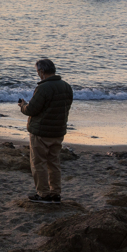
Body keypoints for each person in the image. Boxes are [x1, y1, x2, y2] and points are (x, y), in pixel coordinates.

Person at [18, 58, 74, 204]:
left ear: (42, 71)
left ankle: (43, 194)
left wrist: (23, 105)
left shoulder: (43, 88)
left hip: (41, 132)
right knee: (54, 162)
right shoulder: (66, 86)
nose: (38, 74)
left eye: (38, 71)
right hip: (58, 131)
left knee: (39, 163)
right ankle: (55, 193)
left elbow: (32, 109)